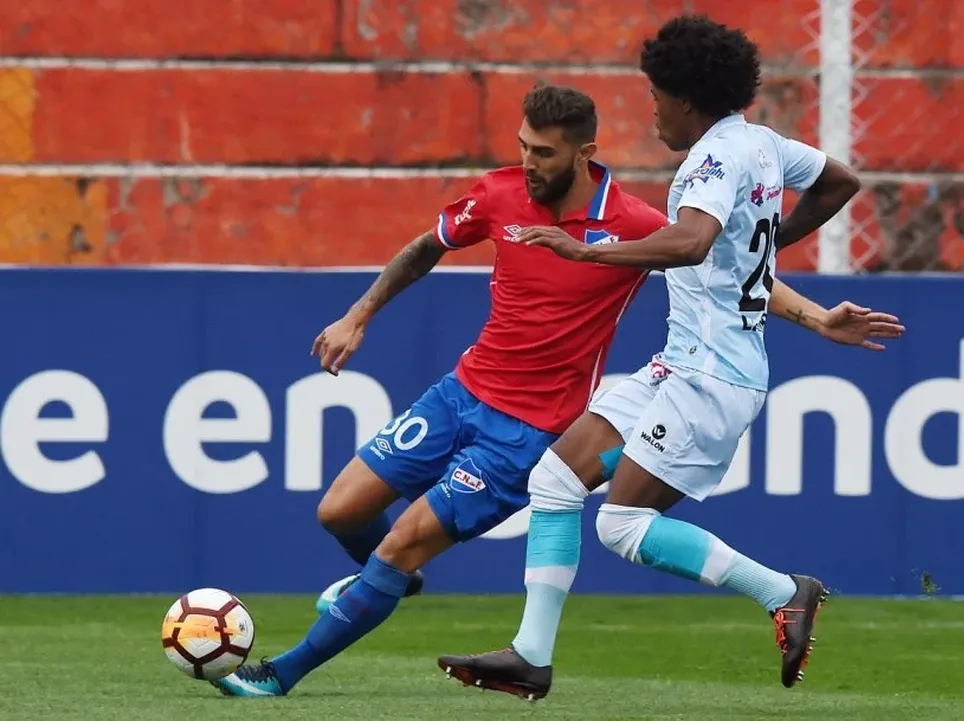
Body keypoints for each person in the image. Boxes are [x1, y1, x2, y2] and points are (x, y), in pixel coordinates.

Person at [436, 15, 904, 699]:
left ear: (685, 98)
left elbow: (688, 243)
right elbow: (839, 180)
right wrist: (767, 255)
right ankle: (530, 654)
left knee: (622, 526)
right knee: (555, 481)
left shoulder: (713, 159)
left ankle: (783, 591)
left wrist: (587, 250)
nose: (651, 111)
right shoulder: (765, 145)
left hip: (713, 378)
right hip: (679, 365)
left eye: (656, 97)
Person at [210, 83, 669, 697]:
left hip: (527, 434)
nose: (530, 164)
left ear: (585, 152)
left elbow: (720, 267)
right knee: (340, 512)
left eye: (546, 154)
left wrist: (813, 318)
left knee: (401, 544)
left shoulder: (635, 225)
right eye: (524, 147)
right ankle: (392, 579)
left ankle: (280, 673)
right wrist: (359, 314)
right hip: (459, 394)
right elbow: (429, 246)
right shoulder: (500, 192)